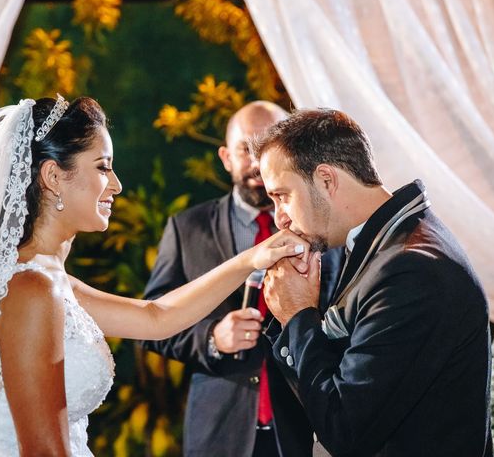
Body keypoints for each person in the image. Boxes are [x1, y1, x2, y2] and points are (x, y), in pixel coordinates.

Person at [0, 95, 311, 456]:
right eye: (103, 167)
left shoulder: (47, 279)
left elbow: (156, 317)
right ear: (54, 177)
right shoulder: (31, 289)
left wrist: (251, 259)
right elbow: (43, 450)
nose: (116, 184)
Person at [251, 108, 493, 457]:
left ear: (326, 180)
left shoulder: (411, 271)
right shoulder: (385, 242)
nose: (280, 218)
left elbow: (346, 430)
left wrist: (298, 316)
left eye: (282, 196)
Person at [142, 101, 344, 457]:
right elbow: (153, 320)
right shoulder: (187, 228)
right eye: (245, 149)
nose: (257, 162)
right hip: (219, 431)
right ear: (224, 157)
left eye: (269, 148)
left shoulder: (326, 227)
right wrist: (212, 338)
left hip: (311, 428)